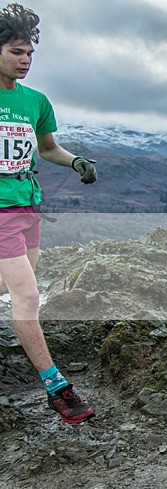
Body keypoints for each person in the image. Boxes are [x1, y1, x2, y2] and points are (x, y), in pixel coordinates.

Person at [0, 3, 97, 424]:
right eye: (16, 52)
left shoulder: (35, 101)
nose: (25, 61)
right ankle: (58, 388)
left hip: (27, 206)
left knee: (11, 289)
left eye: (30, 54)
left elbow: (47, 148)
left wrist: (75, 161)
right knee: (27, 297)